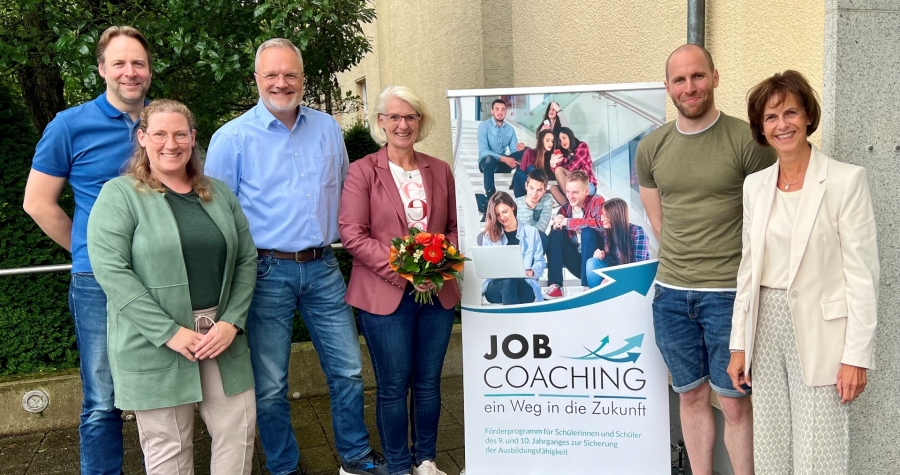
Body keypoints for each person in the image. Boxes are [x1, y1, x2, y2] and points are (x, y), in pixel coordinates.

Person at [205, 38, 386, 475]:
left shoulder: (326, 128)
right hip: (264, 271)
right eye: (272, 75)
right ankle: (284, 467)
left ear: (303, 80)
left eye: (290, 75)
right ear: (257, 79)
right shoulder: (231, 139)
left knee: (347, 372)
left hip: (323, 266)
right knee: (269, 386)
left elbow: (344, 192)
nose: (281, 83)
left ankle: (355, 458)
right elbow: (216, 216)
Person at [86, 99, 257, 474]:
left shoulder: (219, 192)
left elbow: (246, 259)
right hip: (156, 340)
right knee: (169, 450)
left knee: (238, 434)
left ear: (193, 138)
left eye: (180, 134)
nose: (171, 143)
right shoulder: (120, 195)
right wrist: (168, 333)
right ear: (143, 138)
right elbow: (111, 271)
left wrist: (231, 321)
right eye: (160, 134)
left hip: (222, 336)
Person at [727, 71, 879, 474]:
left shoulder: (846, 181)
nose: (783, 125)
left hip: (822, 333)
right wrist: (738, 344)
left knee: (819, 452)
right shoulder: (755, 186)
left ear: (808, 116)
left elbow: (863, 276)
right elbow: (748, 271)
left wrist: (856, 356)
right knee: (772, 450)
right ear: (761, 127)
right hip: (765, 326)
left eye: (791, 112)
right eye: (772, 117)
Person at [636, 44, 776, 475]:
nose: (689, 87)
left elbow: (770, 217)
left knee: (734, 403)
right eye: (679, 79)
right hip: (672, 296)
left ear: (715, 77)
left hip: (729, 297)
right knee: (691, 396)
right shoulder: (652, 147)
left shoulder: (748, 143)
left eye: (698, 76)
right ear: (667, 87)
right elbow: (659, 220)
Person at [22, 25, 152, 475]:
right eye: (119, 63)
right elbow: (37, 202)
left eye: (138, 63)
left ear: (149, 70)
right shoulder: (69, 125)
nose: (129, 72)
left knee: (166, 386)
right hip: (97, 282)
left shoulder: (165, 123)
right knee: (102, 398)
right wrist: (89, 248)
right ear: (101, 69)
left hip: (161, 278)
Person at [339, 85, 459, 475]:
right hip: (384, 295)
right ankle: (396, 465)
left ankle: (425, 460)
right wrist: (408, 270)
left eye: (410, 117)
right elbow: (352, 234)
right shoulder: (362, 171)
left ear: (420, 122)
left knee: (428, 383)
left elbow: (457, 228)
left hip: (435, 295)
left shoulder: (439, 169)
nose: (402, 124)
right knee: (393, 387)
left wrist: (437, 269)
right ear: (380, 122)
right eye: (394, 117)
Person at [544, 170, 604, 299]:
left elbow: (600, 224)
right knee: (554, 235)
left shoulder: (596, 200)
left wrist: (569, 222)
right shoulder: (564, 209)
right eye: (568, 191)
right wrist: (557, 223)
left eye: (575, 192)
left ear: (586, 191)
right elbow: (556, 240)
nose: (570, 196)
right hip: (576, 262)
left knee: (587, 230)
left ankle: (588, 285)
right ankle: (555, 286)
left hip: (595, 262)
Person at [480, 192, 546, 305]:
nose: (502, 217)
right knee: (508, 282)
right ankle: (516, 321)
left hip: (524, 284)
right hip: (497, 286)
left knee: (510, 284)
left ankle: (509, 322)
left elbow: (540, 261)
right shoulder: (489, 236)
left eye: (505, 212)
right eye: (497, 214)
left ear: (513, 207)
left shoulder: (531, 232)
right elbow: (486, 267)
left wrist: (531, 271)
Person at [584, 198, 649, 288]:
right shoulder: (609, 232)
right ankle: (597, 297)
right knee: (592, 262)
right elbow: (612, 261)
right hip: (616, 272)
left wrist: (615, 278)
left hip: (632, 276)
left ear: (616, 216)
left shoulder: (637, 231)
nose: (602, 218)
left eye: (606, 215)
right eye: (602, 214)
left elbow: (637, 268)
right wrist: (601, 257)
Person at [477, 99, 525, 200]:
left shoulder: (510, 129)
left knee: (526, 151)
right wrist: (505, 159)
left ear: (505, 112)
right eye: (497, 109)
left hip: (503, 165)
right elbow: (483, 151)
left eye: (503, 109)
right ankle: (490, 194)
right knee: (489, 158)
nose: (500, 112)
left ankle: (521, 187)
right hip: (487, 164)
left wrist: (519, 147)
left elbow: (513, 151)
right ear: (492, 111)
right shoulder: (484, 126)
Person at [514, 168, 555, 251]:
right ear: (526, 186)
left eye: (539, 190)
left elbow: (542, 225)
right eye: (531, 188)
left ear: (544, 189)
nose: (534, 194)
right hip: (520, 240)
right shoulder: (516, 203)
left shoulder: (547, 199)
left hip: (536, 238)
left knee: (542, 236)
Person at [553, 127, 598, 195]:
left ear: (570, 136)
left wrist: (558, 166)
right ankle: (569, 204)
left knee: (559, 170)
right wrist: (552, 163)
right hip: (574, 184)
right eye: (560, 141)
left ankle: (570, 200)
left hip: (587, 184)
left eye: (564, 138)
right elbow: (558, 175)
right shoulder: (564, 154)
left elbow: (572, 168)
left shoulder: (582, 146)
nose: (563, 142)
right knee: (553, 188)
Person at [531, 129, 567, 204]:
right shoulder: (533, 154)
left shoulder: (553, 155)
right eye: (547, 140)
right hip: (541, 185)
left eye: (552, 141)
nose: (550, 143)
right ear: (541, 141)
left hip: (562, 184)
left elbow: (555, 177)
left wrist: (552, 165)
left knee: (554, 187)